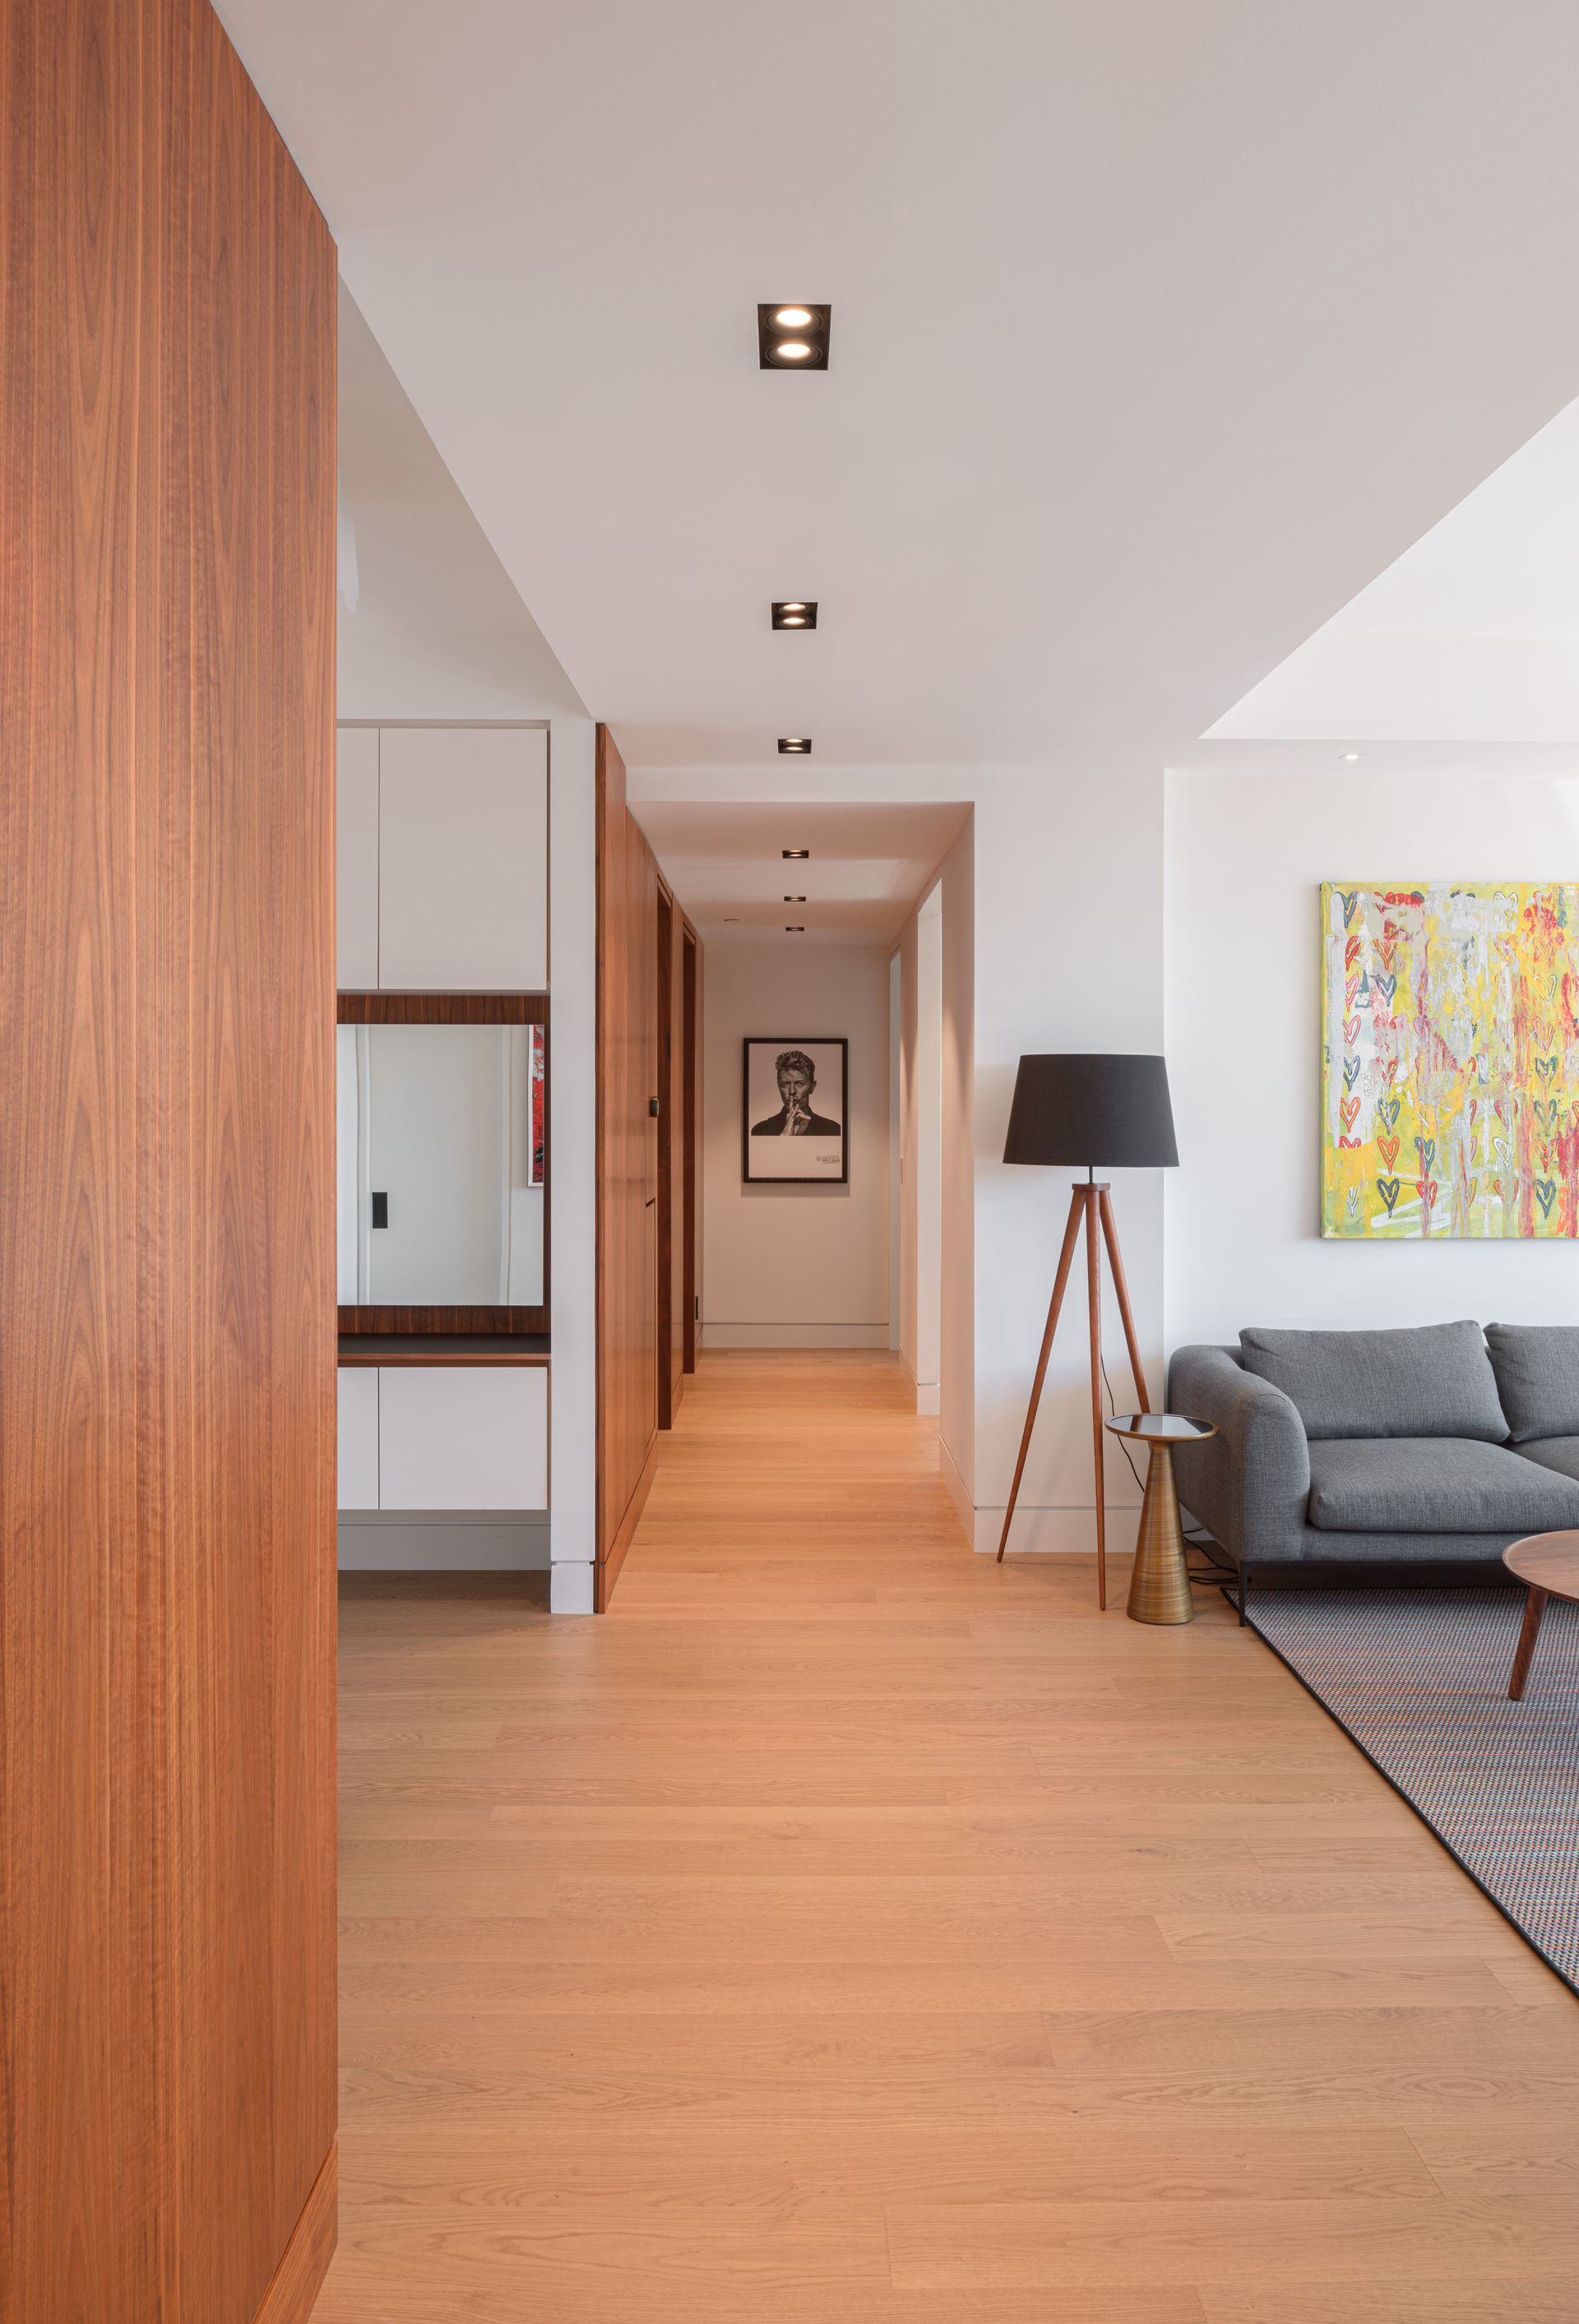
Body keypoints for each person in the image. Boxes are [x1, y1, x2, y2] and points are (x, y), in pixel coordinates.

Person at [751, 1048, 840, 1137]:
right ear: (779, 1086)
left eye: (799, 1083)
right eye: (785, 1084)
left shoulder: (832, 1130)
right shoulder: (760, 1130)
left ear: (812, 1087)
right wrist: (784, 1136)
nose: (792, 1091)